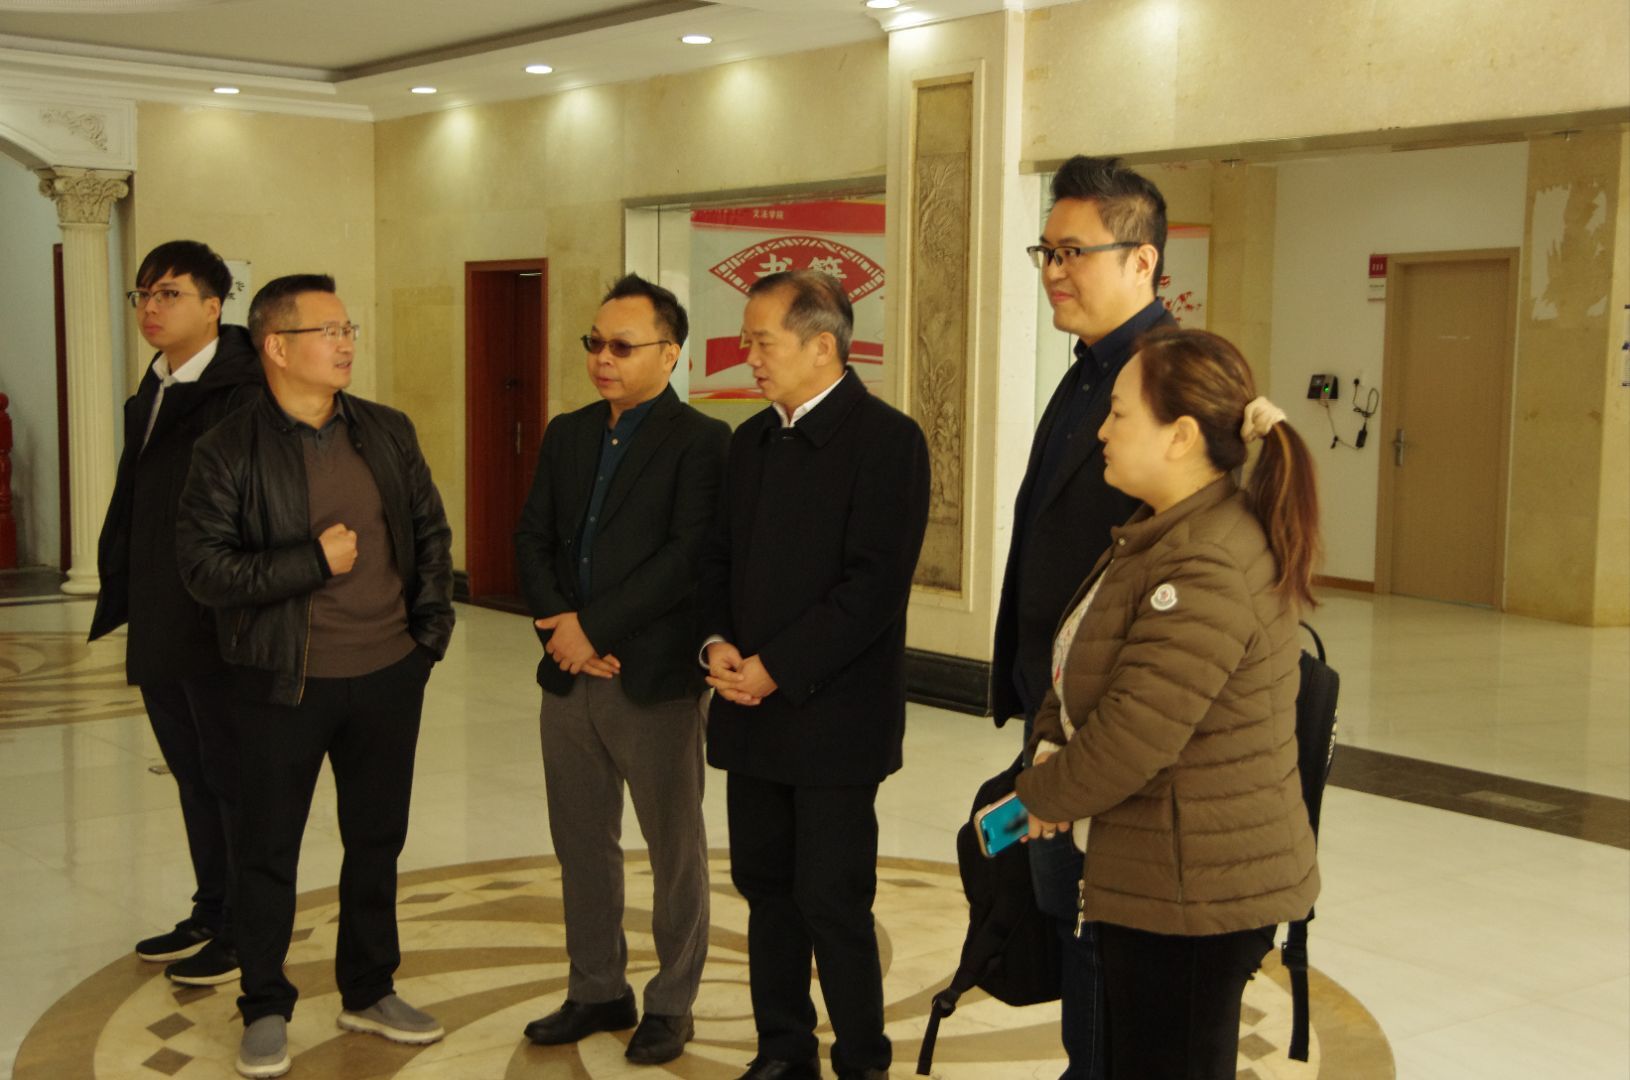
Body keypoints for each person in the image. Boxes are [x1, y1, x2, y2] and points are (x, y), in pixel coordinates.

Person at [1013, 327, 1322, 1080]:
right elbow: (1083, 656)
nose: (1102, 431)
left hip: (1193, 889)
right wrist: (1050, 738)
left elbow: (1132, 739)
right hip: (1161, 868)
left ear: (1180, 436)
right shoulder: (1163, 533)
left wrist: (1039, 793)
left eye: (1119, 414)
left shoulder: (1207, 559)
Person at [176, 274, 455, 1080]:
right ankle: (264, 1004)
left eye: (348, 329)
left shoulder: (386, 430)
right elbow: (203, 570)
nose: (345, 343)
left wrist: (426, 641)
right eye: (327, 331)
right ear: (276, 346)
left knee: (377, 840)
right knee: (267, 849)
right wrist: (311, 561)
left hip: (388, 673)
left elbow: (430, 534)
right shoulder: (228, 448)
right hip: (281, 682)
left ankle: (369, 987)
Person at [701, 270, 930, 1080]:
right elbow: (718, 561)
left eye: (762, 342)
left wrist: (778, 667)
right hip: (750, 709)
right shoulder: (751, 441)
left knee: (832, 901)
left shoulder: (889, 441)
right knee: (765, 890)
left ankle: (863, 1060)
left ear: (823, 346)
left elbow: (872, 591)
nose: (749, 357)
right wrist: (717, 644)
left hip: (835, 722)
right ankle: (782, 1048)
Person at [990, 154, 1173, 1077]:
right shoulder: (1087, 369)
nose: (1055, 271)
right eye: (1047, 251)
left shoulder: (1166, 382)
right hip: (1056, 708)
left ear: (1142, 260)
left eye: (1075, 252)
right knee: (1069, 932)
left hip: (1106, 724)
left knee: (1100, 947)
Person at [514, 274, 728, 1065]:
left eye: (622, 346)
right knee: (581, 841)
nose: (603, 358)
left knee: (674, 849)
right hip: (569, 674)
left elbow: (686, 558)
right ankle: (597, 986)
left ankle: (672, 1001)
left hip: (654, 677)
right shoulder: (568, 433)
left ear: (670, 355)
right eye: (595, 343)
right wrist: (561, 631)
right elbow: (533, 537)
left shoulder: (703, 441)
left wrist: (593, 628)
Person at [88, 240, 262, 986]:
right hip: (161, 611)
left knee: (233, 776)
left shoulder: (242, 390)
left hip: (216, 619)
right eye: (144, 295)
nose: (151, 309)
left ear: (214, 306)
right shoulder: (157, 384)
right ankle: (211, 908)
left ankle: (245, 930)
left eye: (169, 294)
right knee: (192, 773)